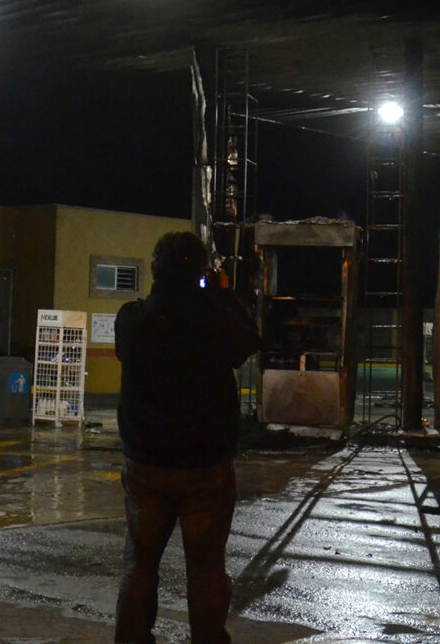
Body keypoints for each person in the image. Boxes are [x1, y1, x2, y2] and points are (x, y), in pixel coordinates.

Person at [114, 231, 259, 643]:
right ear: (200, 271)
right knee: (207, 569)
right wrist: (221, 293)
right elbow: (250, 339)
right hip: (205, 467)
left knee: (139, 563)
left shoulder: (133, 320)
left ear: (155, 269)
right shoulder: (213, 319)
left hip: (145, 465)